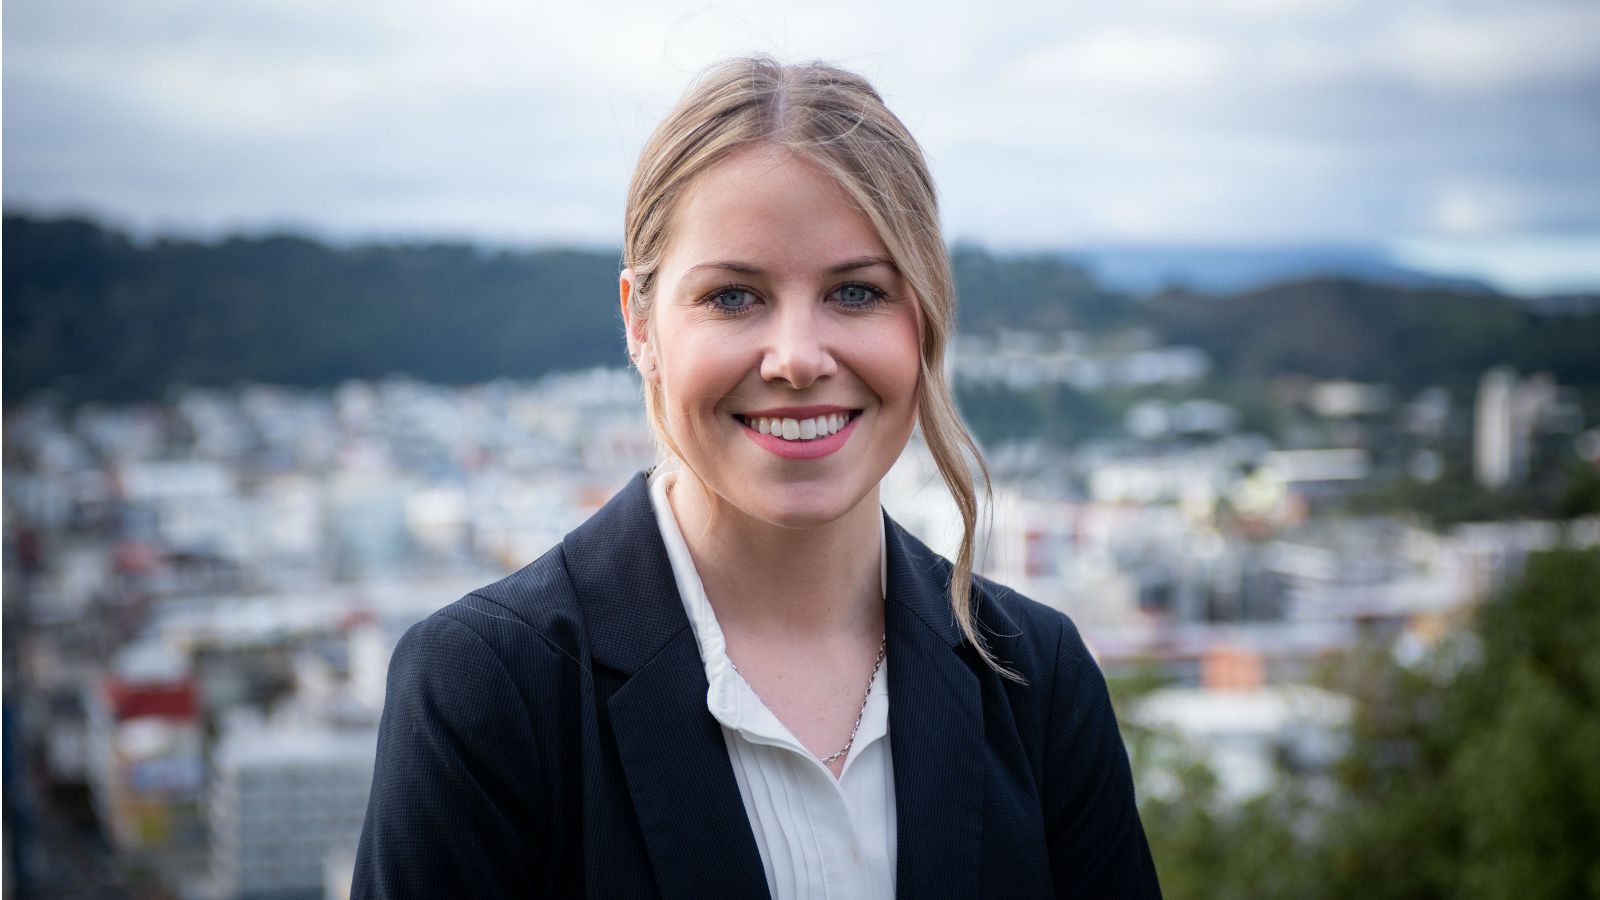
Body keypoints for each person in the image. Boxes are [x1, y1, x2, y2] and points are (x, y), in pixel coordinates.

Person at [352, 54, 1161, 898]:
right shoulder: (488, 690)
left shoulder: (1033, 675)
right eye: (734, 297)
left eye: (856, 293)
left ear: (925, 316)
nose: (799, 359)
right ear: (639, 321)